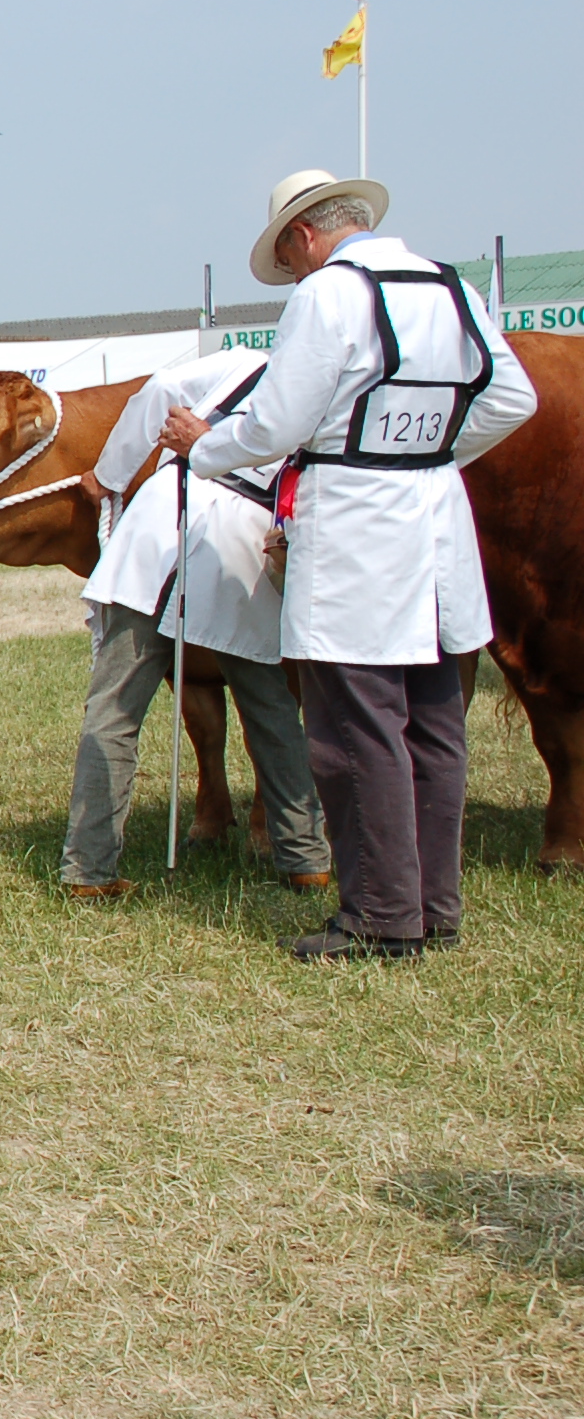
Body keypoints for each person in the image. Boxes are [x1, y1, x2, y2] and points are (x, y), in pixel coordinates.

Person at [165, 171, 538, 960]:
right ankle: (433, 907)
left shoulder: (327, 296)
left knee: (353, 728)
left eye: (288, 259)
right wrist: (424, 450)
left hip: (357, 530)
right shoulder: (453, 288)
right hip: (436, 516)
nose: (294, 274)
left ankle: (378, 916)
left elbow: (278, 422)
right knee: (435, 723)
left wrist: (206, 446)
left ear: (303, 236)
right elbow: (511, 401)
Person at [60, 346, 332, 898]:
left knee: (113, 707)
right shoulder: (334, 391)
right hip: (242, 535)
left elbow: (157, 389)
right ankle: (305, 857)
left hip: (167, 517)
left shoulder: (244, 359)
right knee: (271, 706)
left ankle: (88, 870)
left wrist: (108, 476)